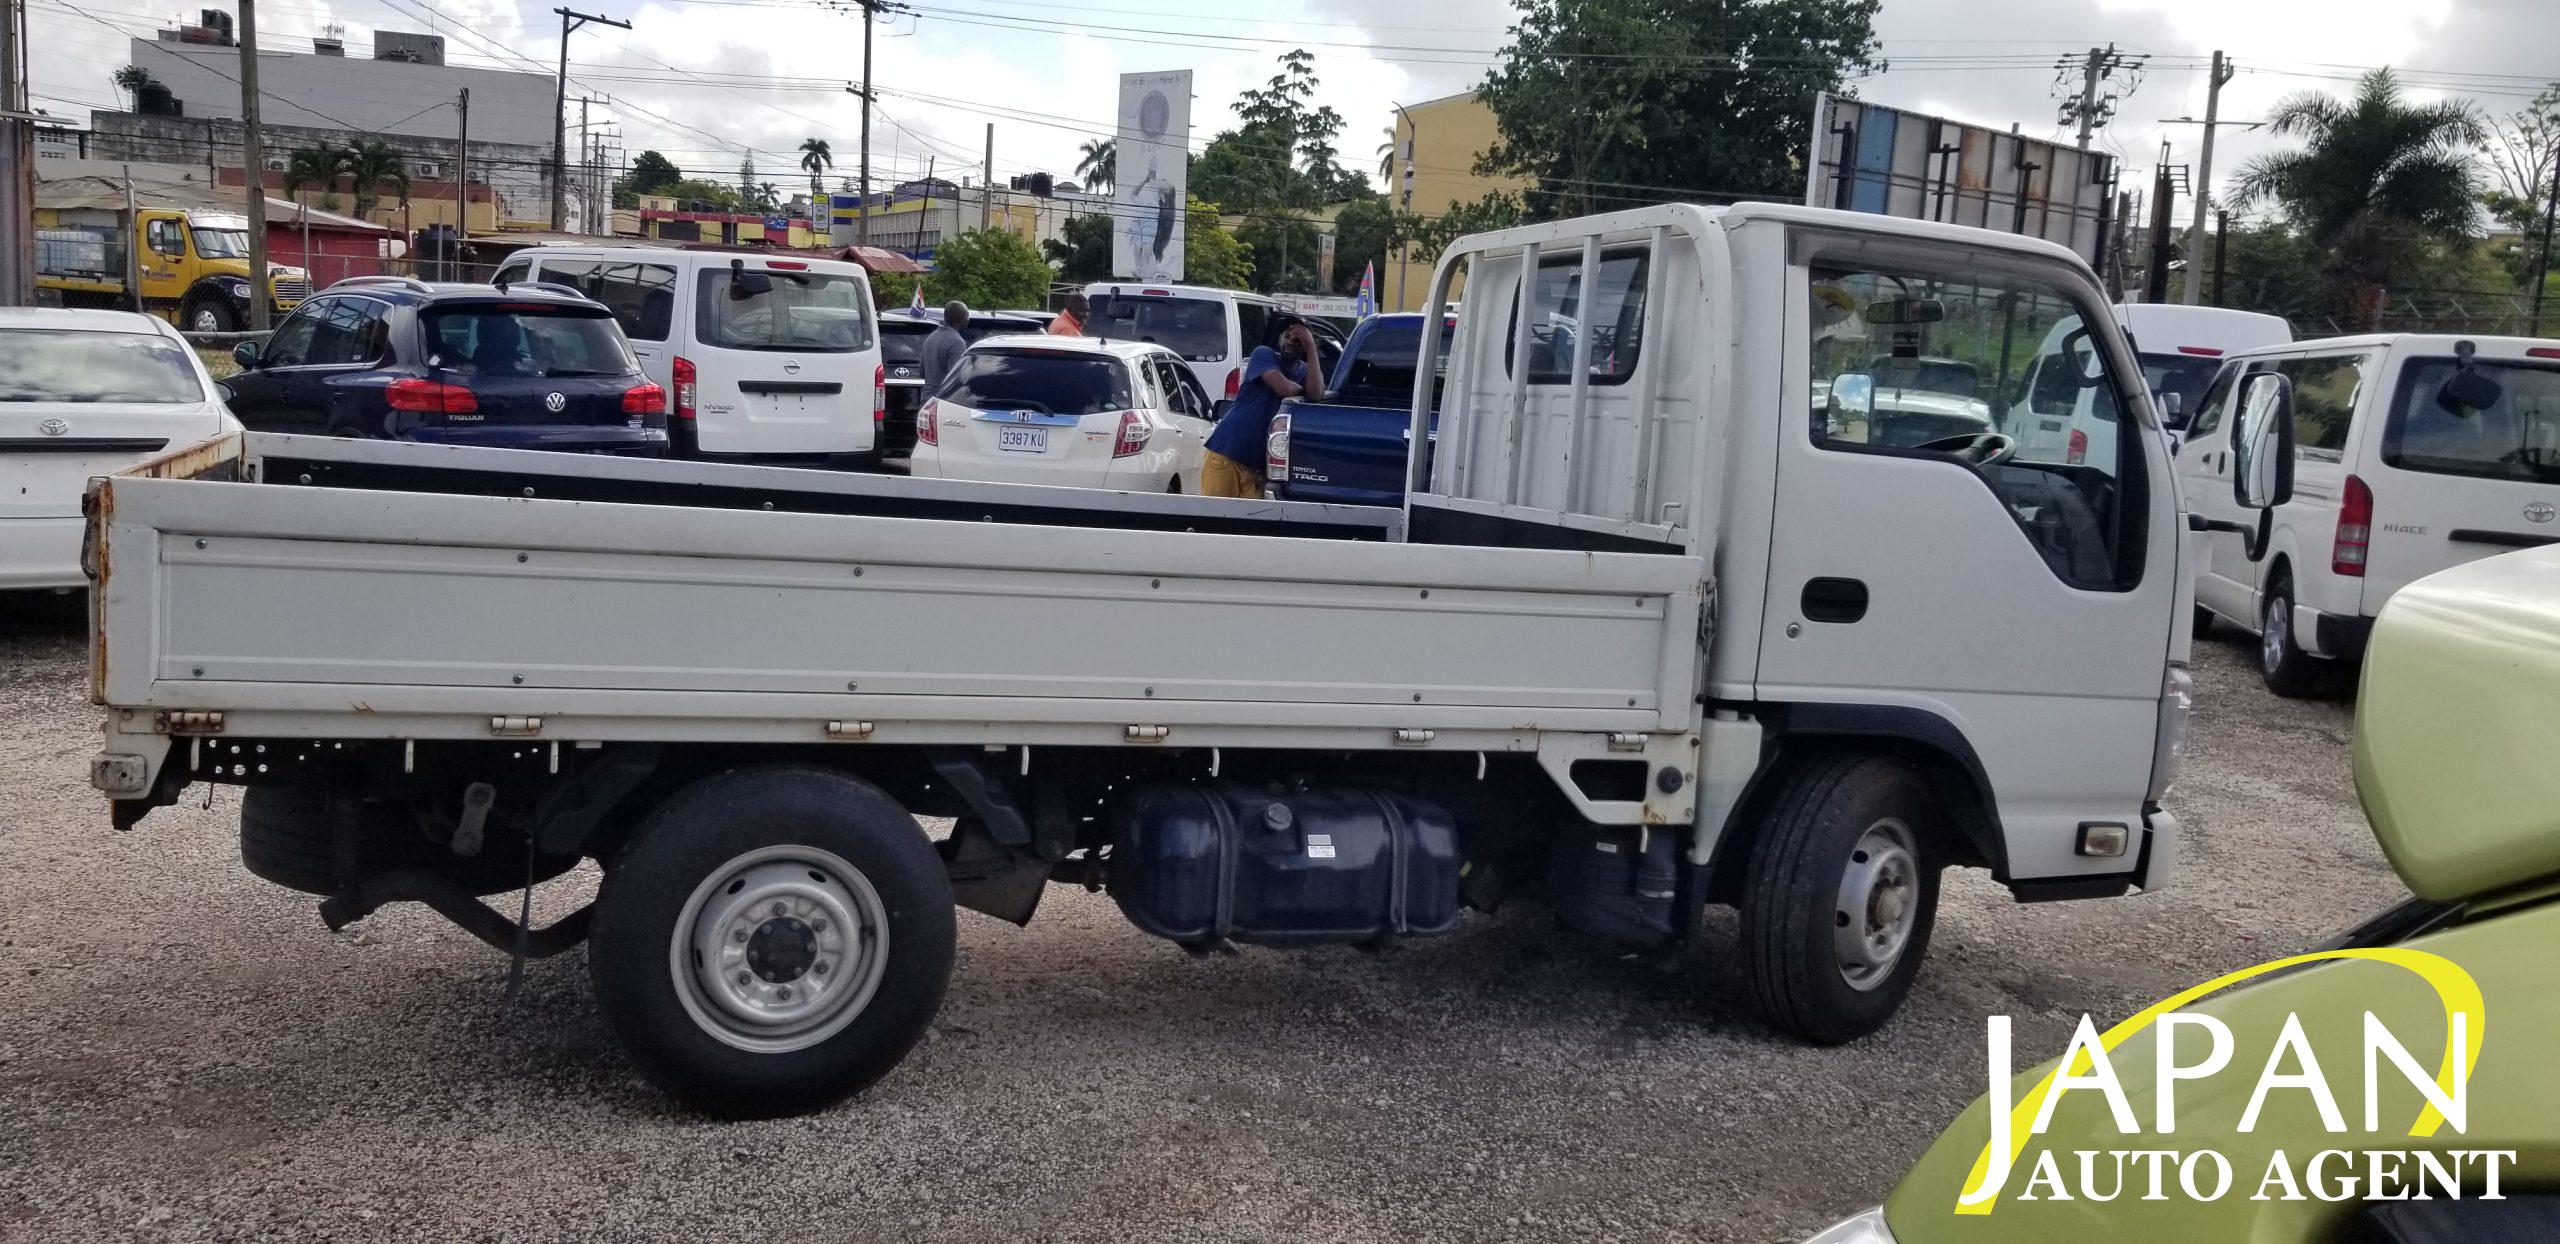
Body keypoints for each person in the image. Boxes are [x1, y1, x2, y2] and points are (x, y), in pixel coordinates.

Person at [1199, 314, 1326, 499]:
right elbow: (1284, 388)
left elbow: (1316, 394)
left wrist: (1312, 347)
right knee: (1215, 522)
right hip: (1225, 456)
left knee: (1249, 526)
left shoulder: (1305, 370)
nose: (1289, 342)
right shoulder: (1263, 355)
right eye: (1286, 336)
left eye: (1297, 339)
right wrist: (1302, 390)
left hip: (1256, 470)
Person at [921, 301, 971, 390]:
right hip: (944, 399)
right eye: (967, 317)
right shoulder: (957, 342)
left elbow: (922, 373)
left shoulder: (931, 338)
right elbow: (957, 378)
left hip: (927, 399)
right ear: (960, 318)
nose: (968, 320)